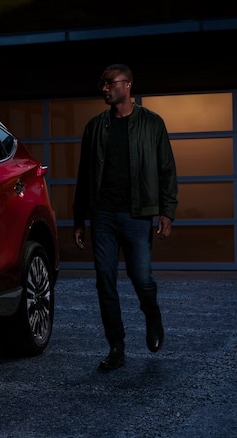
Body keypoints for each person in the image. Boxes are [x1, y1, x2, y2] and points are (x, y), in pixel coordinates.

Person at [72, 64, 178, 371]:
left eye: (110, 83)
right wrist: (80, 219)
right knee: (105, 282)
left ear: (127, 85)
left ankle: (152, 314)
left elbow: (166, 169)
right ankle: (116, 347)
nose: (104, 88)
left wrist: (167, 211)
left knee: (141, 278)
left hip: (136, 214)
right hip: (102, 215)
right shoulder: (95, 127)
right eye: (102, 83)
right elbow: (85, 175)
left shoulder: (152, 123)